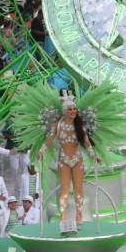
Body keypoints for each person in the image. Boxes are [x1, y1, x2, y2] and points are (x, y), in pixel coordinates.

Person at [35, 94, 102, 233]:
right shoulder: (58, 125)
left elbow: (86, 142)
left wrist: (94, 156)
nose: (73, 112)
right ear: (65, 111)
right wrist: (41, 151)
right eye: (70, 109)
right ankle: (63, 218)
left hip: (77, 160)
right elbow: (49, 139)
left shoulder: (79, 125)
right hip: (63, 160)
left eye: (74, 109)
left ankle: (79, 216)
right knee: (64, 190)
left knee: (78, 190)